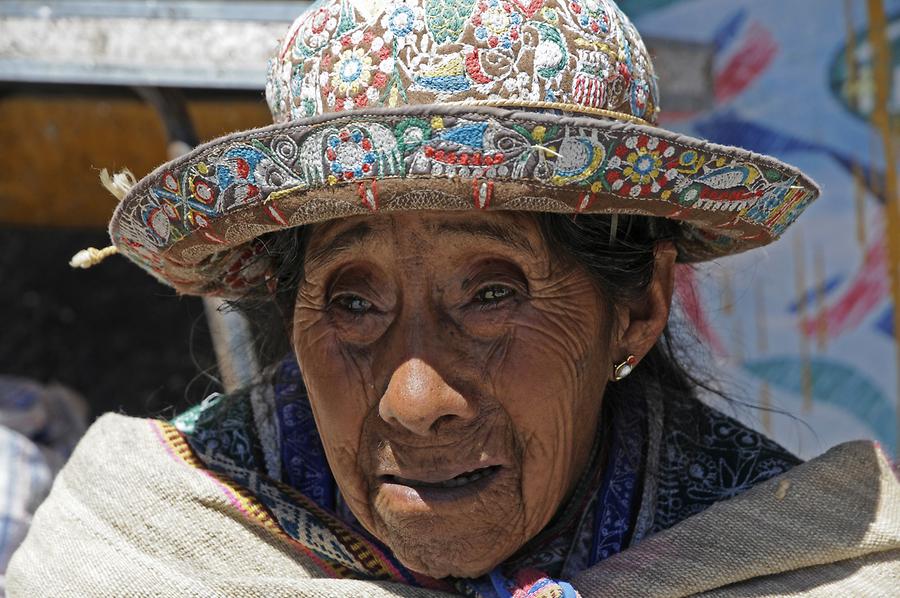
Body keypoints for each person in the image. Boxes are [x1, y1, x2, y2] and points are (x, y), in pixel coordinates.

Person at [9, 1, 900, 596]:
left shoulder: (797, 568)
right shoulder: (141, 551)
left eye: (492, 295)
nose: (417, 401)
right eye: (355, 304)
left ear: (637, 305)